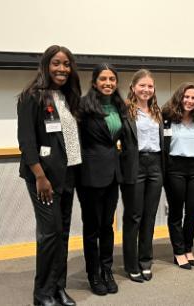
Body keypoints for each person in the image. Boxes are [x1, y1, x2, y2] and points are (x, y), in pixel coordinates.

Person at [17, 45, 81, 306]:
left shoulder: (67, 97)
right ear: (46, 65)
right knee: (49, 234)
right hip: (43, 178)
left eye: (66, 64)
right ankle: (42, 293)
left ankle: (58, 288)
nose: (62, 69)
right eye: (56, 63)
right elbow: (26, 141)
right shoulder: (31, 96)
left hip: (67, 176)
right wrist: (40, 176)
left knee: (62, 233)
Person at [78, 63, 126, 295]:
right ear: (95, 81)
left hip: (113, 175)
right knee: (92, 228)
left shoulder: (120, 105)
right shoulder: (83, 107)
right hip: (89, 175)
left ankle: (107, 271)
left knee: (107, 226)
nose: (108, 83)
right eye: (103, 79)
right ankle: (93, 274)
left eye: (112, 79)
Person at [120, 69, 164, 282]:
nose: (146, 90)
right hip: (135, 166)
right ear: (133, 87)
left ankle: (145, 260)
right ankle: (131, 264)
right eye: (142, 86)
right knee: (134, 216)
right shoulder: (125, 111)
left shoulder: (157, 112)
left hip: (155, 166)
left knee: (150, 216)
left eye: (150, 86)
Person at [162, 82, 194, 270]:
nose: (189, 101)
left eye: (193, 98)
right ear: (179, 97)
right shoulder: (166, 119)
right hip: (175, 169)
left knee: (193, 212)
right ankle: (179, 251)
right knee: (176, 213)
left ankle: (188, 247)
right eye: (186, 97)